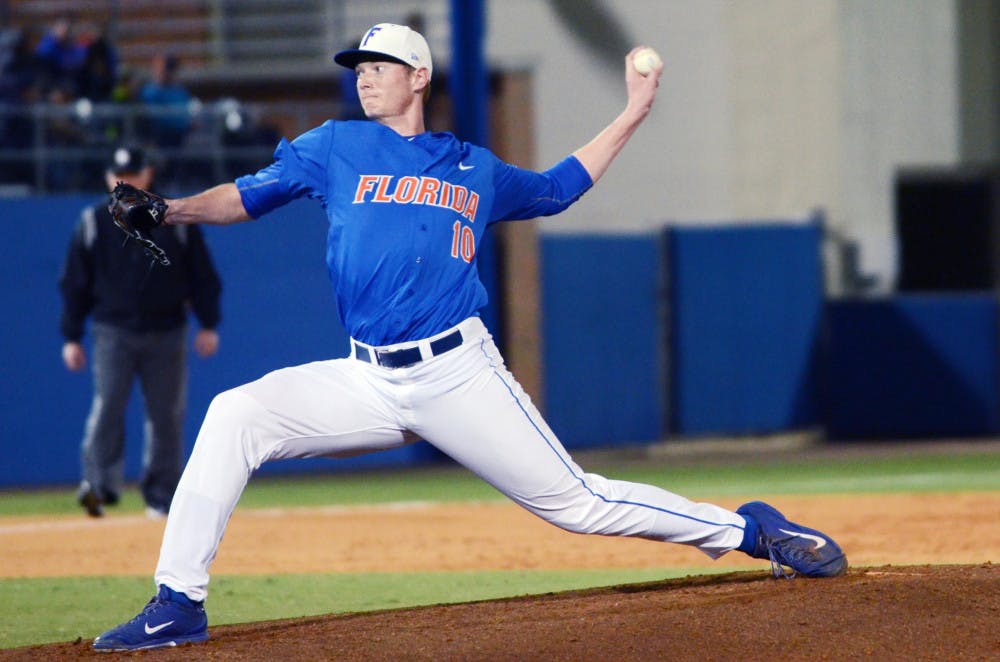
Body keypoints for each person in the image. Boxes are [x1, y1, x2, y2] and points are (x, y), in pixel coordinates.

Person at [92, 23, 847, 651]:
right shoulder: (333, 147)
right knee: (235, 414)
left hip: (458, 375)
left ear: (418, 75)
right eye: (358, 67)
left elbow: (558, 187)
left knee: (578, 504)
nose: (365, 77)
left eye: (380, 65)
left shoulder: (472, 167)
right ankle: (178, 603)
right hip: (367, 378)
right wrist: (171, 210)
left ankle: (751, 532)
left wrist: (633, 111)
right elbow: (245, 198)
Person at [59, 145, 222, 520]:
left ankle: (161, 494)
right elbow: (75, 284)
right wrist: (71, 335)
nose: (125, 182)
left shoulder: (174, 220)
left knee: (166, 414)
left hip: (168, 329)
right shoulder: (93, 222)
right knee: (108, 407)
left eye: (132, 175)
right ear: (107, 179)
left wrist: (208, 323)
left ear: (147, 175)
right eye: (119, 176)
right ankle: (97, 487)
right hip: (113, 330)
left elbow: (202, 276)